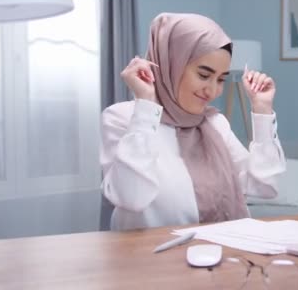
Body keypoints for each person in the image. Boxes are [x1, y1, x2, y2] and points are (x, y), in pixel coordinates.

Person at [100, 13, 286, 231]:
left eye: (220, 79)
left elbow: (265, 187)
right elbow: (132, 197)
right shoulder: (122, 118)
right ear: (171, 63)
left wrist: (262, 111)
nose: (213, 90)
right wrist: (146, 108)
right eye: (204, 75)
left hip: (219, 253)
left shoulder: (215, 123)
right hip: (148, 258)